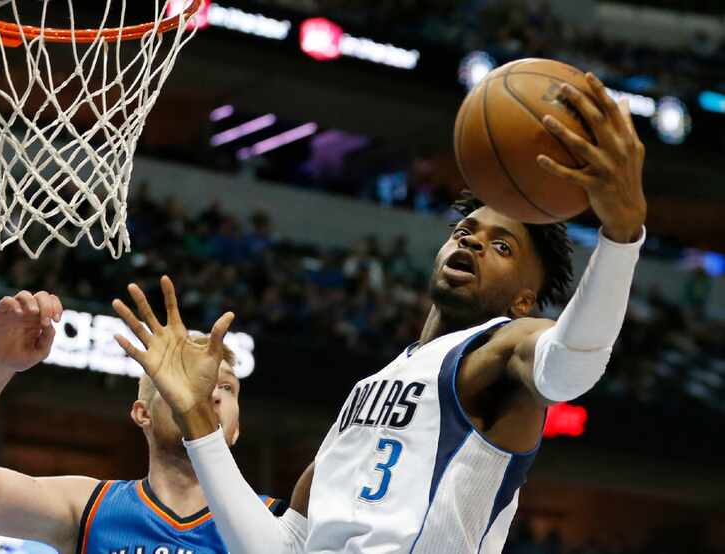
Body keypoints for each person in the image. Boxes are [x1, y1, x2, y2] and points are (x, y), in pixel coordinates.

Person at [111, 73, 647, 553]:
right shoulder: (370, 388)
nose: (474, 244)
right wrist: (197, 422)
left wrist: (621, 237)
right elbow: (281, 547)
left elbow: (570, 368)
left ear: (523, 301)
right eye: (465, 233)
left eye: (502, 247)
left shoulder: (505, 347)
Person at [0, 289, 284, 554]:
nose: (210, 394)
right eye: (187, 378)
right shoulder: (90, 507)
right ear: (143, 413)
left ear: (235, 430)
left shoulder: (281, 523)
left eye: (226, 387)